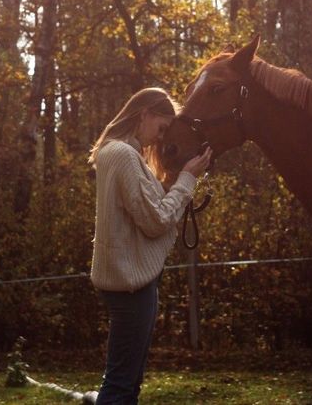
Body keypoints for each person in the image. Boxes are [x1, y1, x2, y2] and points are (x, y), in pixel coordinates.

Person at [83, 87, 212, 405]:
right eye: (161, 128)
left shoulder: (115, 153)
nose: (160, 137)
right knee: (121, 386)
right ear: (145, 114)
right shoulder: (124, 156)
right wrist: (187, 179)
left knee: (125, 382)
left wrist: (179, 183)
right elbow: (156, 220)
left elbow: (147, 209)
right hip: (131, 285)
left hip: (126, 282)